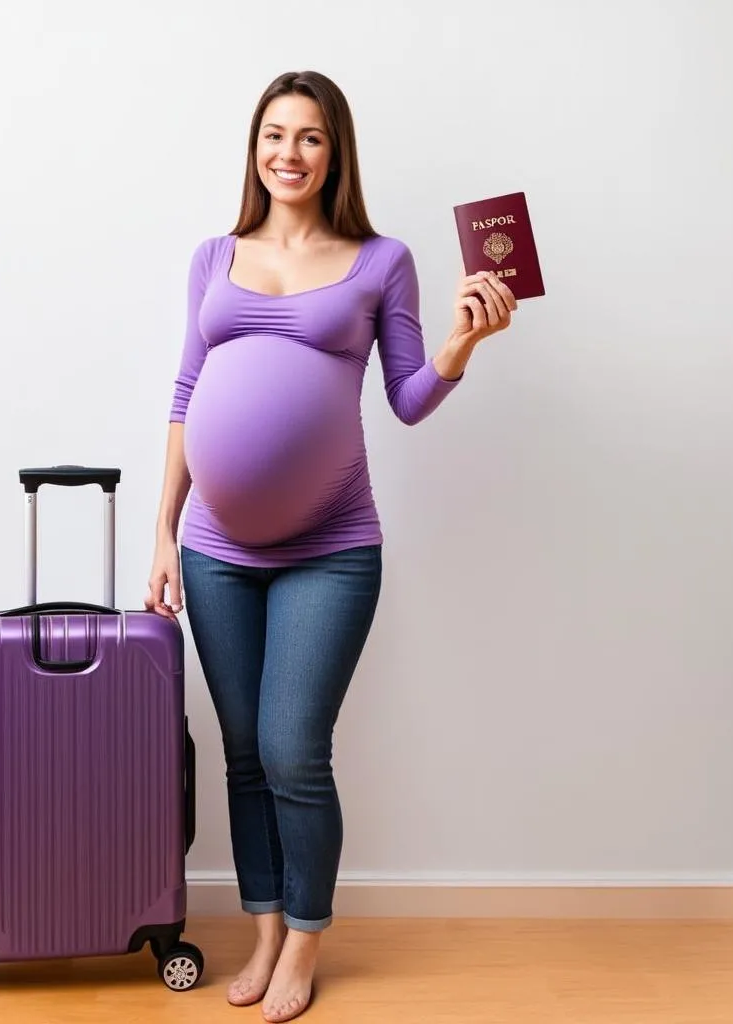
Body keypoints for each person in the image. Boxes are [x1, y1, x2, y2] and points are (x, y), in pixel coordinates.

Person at [145, 70, 517, 1023]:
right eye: (275, 135)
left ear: (336, 150)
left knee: (293, 749)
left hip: (331, 546)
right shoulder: (213, 256)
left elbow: (405, 398)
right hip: (216, 550)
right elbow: (188, 399)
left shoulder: (381, 259)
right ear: (254, 147)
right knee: (241, 752)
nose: (289, 154)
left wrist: (461, 349)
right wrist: (163, 536)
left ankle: (306, 939)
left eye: (310, 137)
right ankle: (265, 927)